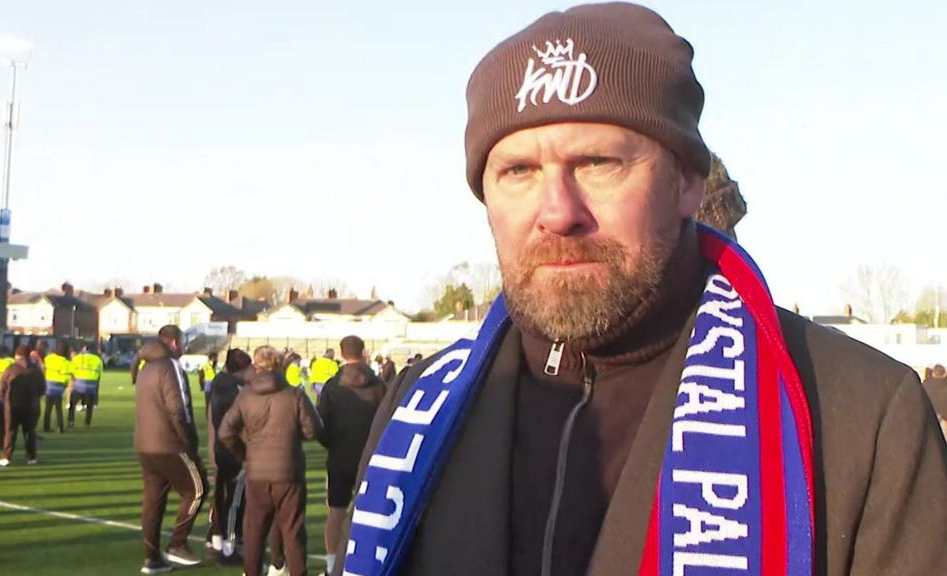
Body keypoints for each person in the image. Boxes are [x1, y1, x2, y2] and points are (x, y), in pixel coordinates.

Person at [338, 5, 947, 576]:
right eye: (518, 171)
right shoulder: (416, 409)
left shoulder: (860, 418)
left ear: (687, 182)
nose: (558, 212)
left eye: (597, 163)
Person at [219, 345, 322, 576]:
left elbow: (225, 432)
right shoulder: (294, 395)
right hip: (288, 471)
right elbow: (313, 429)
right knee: (293, 530)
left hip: (258, 472)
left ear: (256, 366)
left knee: (254, 531)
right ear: (280, 366)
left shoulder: (246, 395)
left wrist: (245, 453)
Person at [134, 325, 207, 574]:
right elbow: (178, 408)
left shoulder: (146, 368)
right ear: (175, 342)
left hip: (145, 445)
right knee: (197, 489)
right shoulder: (170, 366)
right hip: (169, 443)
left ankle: (152, 558)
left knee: (153, 500)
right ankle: (177, 544)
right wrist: (189, 441)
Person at [315, 336, 386, 576]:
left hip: (340, 457)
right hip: (370, 456)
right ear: (363, 351)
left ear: (341, 353)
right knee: (369, 511)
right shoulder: (379, 385)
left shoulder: (333, 386)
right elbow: (387, 420)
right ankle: (366, 563)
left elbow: (321, 424)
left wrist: (332, 444)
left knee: (336, 511)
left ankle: (332, 564)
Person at [206, 348, 252, 565]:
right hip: (234, 450)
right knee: (234, 500)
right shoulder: (236, 390)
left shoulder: (220, 383)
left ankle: (216, 539)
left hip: (222, 448)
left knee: (222, 496)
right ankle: (228, 548)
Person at [0, 345, 45, 466]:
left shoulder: (11, 369)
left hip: (12, 406)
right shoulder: (36, 370)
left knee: (10, 431)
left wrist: (5, 400)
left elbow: (0, 389)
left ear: (17, 355)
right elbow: (42, 389)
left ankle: (7, 457)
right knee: (30, 432)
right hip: (32, 406)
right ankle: (31, 457)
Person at [69, 345, 103, 428]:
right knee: (89, 407)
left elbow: (72, 372)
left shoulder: (77, 358)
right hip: (91, 386)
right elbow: (99, 374)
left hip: (78, 386)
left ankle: (71, 421)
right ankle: (87, 423)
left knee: (72, 405)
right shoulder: (97, 360)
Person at [43, 342, 72, 433]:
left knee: (48, 408)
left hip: (48, 385)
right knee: (58, 409)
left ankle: (46, 427)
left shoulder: (49, 358)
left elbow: (44, 369)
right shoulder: (67, 363)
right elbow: (68, 377)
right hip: (59, 387)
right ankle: (60, 427)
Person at [922, 364, 947, 440]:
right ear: (945, 374)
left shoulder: (924, 386)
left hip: (927, 420)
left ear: (933, 373)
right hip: (944, 422)